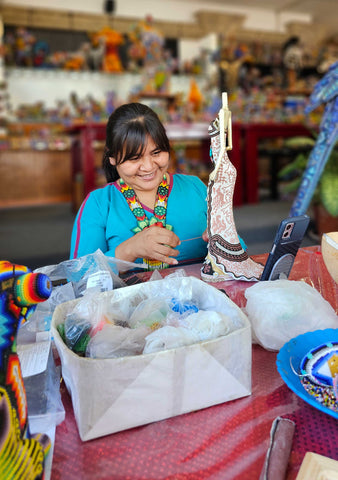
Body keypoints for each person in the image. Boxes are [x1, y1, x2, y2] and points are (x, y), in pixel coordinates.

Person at [70, 102, 208, 269]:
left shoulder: (195, 188)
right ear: (112, 157)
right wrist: (130, 249)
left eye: (156, 153)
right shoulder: (98, 204)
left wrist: (225, 246)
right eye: (134, 158)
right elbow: (78, 278)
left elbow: (238, 251)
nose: (149, 167)